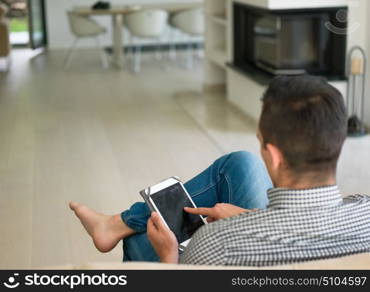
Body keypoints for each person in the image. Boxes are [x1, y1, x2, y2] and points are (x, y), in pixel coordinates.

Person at [69, 75, 370, 266]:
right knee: (241, 164)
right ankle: (116, 224)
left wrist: (168, 259)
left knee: (142, 239)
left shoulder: (216, 245)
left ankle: (121, 229)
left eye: (261, 143)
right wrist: (246, 216)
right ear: (338, 142)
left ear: (275, 156)